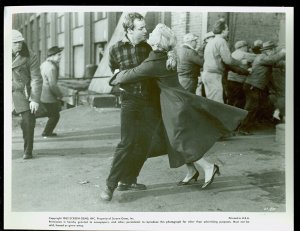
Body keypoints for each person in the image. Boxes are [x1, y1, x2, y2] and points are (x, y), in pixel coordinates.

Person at [110, 23, 247, 191]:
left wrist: (115, 76)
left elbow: (130, 75)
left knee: (179, 141)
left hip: (173, 105)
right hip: (174, 102)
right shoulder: (163, 55)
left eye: (152, 32)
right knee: (173, 140)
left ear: (158, 40)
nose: (149, 32)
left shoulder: (154, 60)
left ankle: (208, 167)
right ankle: (191, 171)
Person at [100, 12, 161, 201]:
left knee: (144, 142)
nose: (146, 30)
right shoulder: (115, 49)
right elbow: (115, 71)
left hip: (150, 100)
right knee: (126, 142)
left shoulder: (149, 47)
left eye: (145, 27)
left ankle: (129, 180)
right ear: (129, 29)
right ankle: (110, 186)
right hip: (130, 100)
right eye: (141, 28)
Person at [238, 41, 285, 135]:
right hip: (253, 86)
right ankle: (242, 128)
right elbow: (272, 60)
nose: (275, 52)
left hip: (255, 86)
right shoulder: (262, 57)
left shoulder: (265, 58)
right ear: (269, 50)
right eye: (274, 50)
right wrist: (283, 52)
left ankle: (248, 125)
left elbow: (277, 63)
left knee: (258, 106)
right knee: (251, 107)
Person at [12, 29, 42, 159]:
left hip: (22, 91)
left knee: (28, 121)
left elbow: (36, 78)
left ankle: (28, 151)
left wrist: (34, 99)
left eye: (20, 42)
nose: (19, 44)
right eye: (15, 42)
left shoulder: (30, 55)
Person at [202, 18, 242, 103]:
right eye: (227, 30)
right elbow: (228, 60)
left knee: (211, 101)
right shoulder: (221, 41)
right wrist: (240, 62)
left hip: (207, 74)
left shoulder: (211, 42)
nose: (228, 32)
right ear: (223, 31)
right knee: (217, 103)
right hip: (214, 75)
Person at [40, 46, 64, 138]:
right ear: (52, 56)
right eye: (58, 55)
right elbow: (53, 85)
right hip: (48, 95)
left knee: (52, 114)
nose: (60, 57)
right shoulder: (51, 68)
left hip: (42, 93)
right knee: (55, 115)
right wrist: (59, 95)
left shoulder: (44, 64)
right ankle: (46, 132)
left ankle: (47, 132)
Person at [226, 40, 257, 109]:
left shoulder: (233, 53)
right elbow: (257, 57)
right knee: (239, 101)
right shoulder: (243, 54)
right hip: (238, 81)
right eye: (246, 47)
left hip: (230, 80)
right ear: (243, 47)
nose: (247, 49)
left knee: (230, 100)